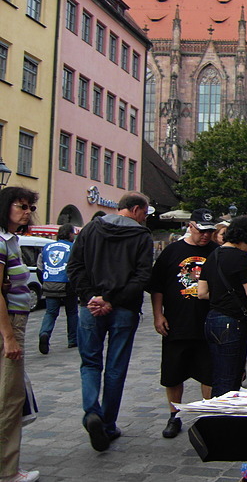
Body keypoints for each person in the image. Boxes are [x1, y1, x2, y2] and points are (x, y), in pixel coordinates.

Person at [67, 192, 153, 452]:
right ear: (136, 209)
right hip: (124, 308)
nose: (145, 219)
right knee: (116, 367)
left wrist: (92, 297)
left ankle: (92, 412)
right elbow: (142, 277)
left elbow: (74, 267)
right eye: (145, 214)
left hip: (89, 308)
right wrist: (112, 300)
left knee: (90, 363)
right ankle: (107, 423)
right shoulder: (141, 236)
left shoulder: (91, 228)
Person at [148, 208, 218, 439]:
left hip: (207, 322)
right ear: (191, 226)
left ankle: (208, 417)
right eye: (201, 231)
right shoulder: (173, 251)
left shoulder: (215, 252)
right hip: (177, 321)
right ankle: (174, 415)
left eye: (210, 231)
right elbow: (157, 286)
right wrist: (158, 315)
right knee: (173, 373)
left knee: (208, 373)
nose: (206, 236)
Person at [197, 217, 247, 397]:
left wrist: (222, 294)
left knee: (218, 373)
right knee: (230, 377)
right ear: (246, 237)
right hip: (232, 321)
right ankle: (223, 419)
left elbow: (202, 292)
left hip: (212, 319)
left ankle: (217, 413)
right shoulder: (241, 257)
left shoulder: (214, 254)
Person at [0, 187, 40, 482]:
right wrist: (9, 337)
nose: (27, 211)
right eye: (22, 205)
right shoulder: (2, 242)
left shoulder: (10, 240)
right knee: (9, 398)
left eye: (30, 207)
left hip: (13, 322)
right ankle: (7, 471)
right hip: (9, 324)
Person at [37, 224, 78, 355]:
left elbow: (40, 267)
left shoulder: (47, 247)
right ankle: (73, 339)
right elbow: (76, 267)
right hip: (67, 284)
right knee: (71, 312)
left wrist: (44, 281)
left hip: (49, 283)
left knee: (50, 313)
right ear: (70, 234)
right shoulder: (73, 247)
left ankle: (44, 333)